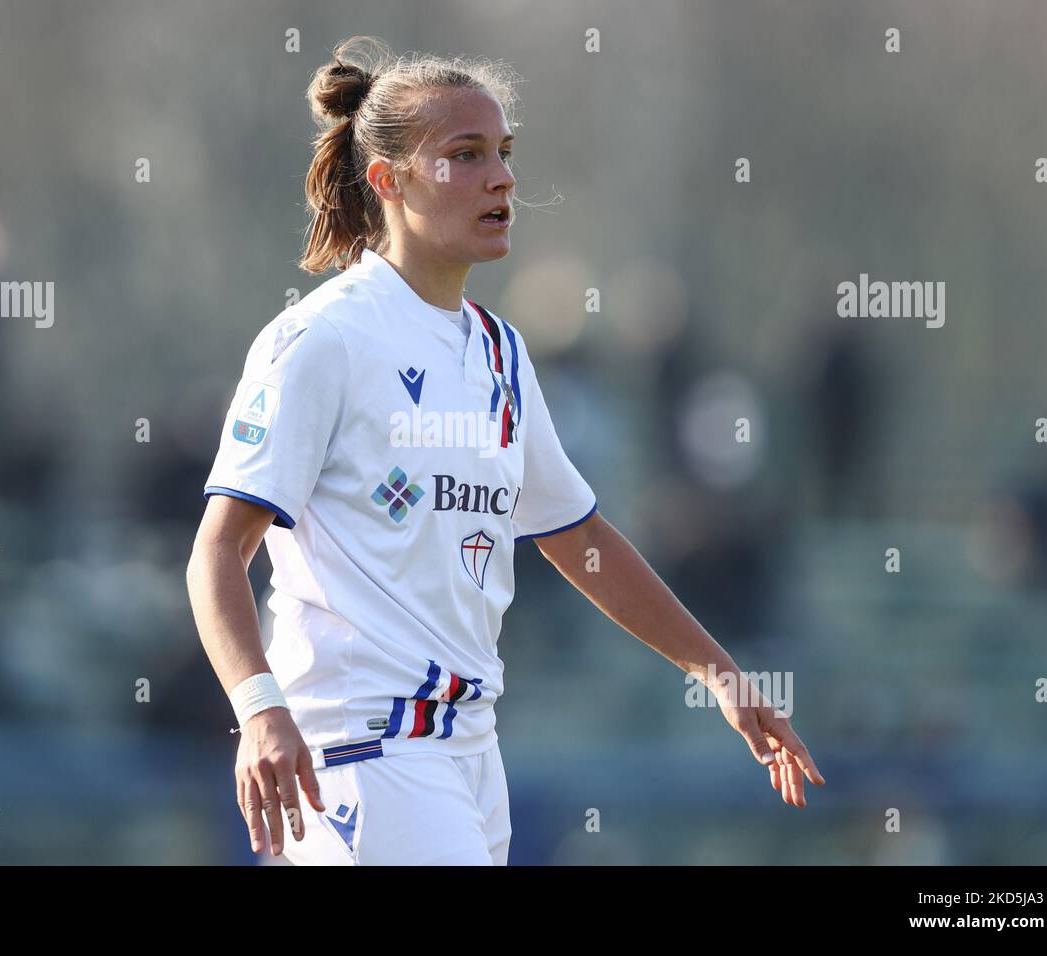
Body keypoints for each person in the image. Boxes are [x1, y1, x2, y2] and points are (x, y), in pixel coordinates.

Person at [185, 36, 824, 866]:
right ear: (388, 180)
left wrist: (720, 675)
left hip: (470, 753)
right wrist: (260, 707)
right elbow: (216, 552)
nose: (503, 178)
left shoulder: (500, 353)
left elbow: (580, 539)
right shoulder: (322, 339)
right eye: (465, 155)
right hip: (366, 751)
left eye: (504, 154)